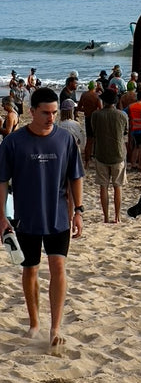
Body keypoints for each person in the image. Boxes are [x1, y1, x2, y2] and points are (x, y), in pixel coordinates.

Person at [0, 87, 84, 347]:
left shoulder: (65, 139)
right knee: (30, 269)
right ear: (32, 111)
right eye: (46, 113)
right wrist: (2, 216)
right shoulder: (13, 142)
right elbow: (2, 181)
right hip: (26, 218)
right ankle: (35, 323)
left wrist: (79, 211)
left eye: (54, 113)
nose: (51, 118)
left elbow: (76, 177)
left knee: (59, 266)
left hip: (58, 216)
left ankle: (55, 327)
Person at [91, 89, 129, 223]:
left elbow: (94, 131)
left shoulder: (96, 115)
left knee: (103, 186)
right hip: (118, 153)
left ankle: (106, 216)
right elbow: (125, 131)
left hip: (101, 153)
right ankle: (117, 216)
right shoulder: (122, 115)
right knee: (117, 186)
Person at [76, 80, 102, 166]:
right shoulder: (97, 96)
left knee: (89, 140)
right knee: (97, 139)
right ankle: (96, 159)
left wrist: (86, 110)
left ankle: (87, 161)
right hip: (95, 118)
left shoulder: (84, 95)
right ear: (95, 86)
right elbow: (101, 109)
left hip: (87, 118)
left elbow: (79, 107)